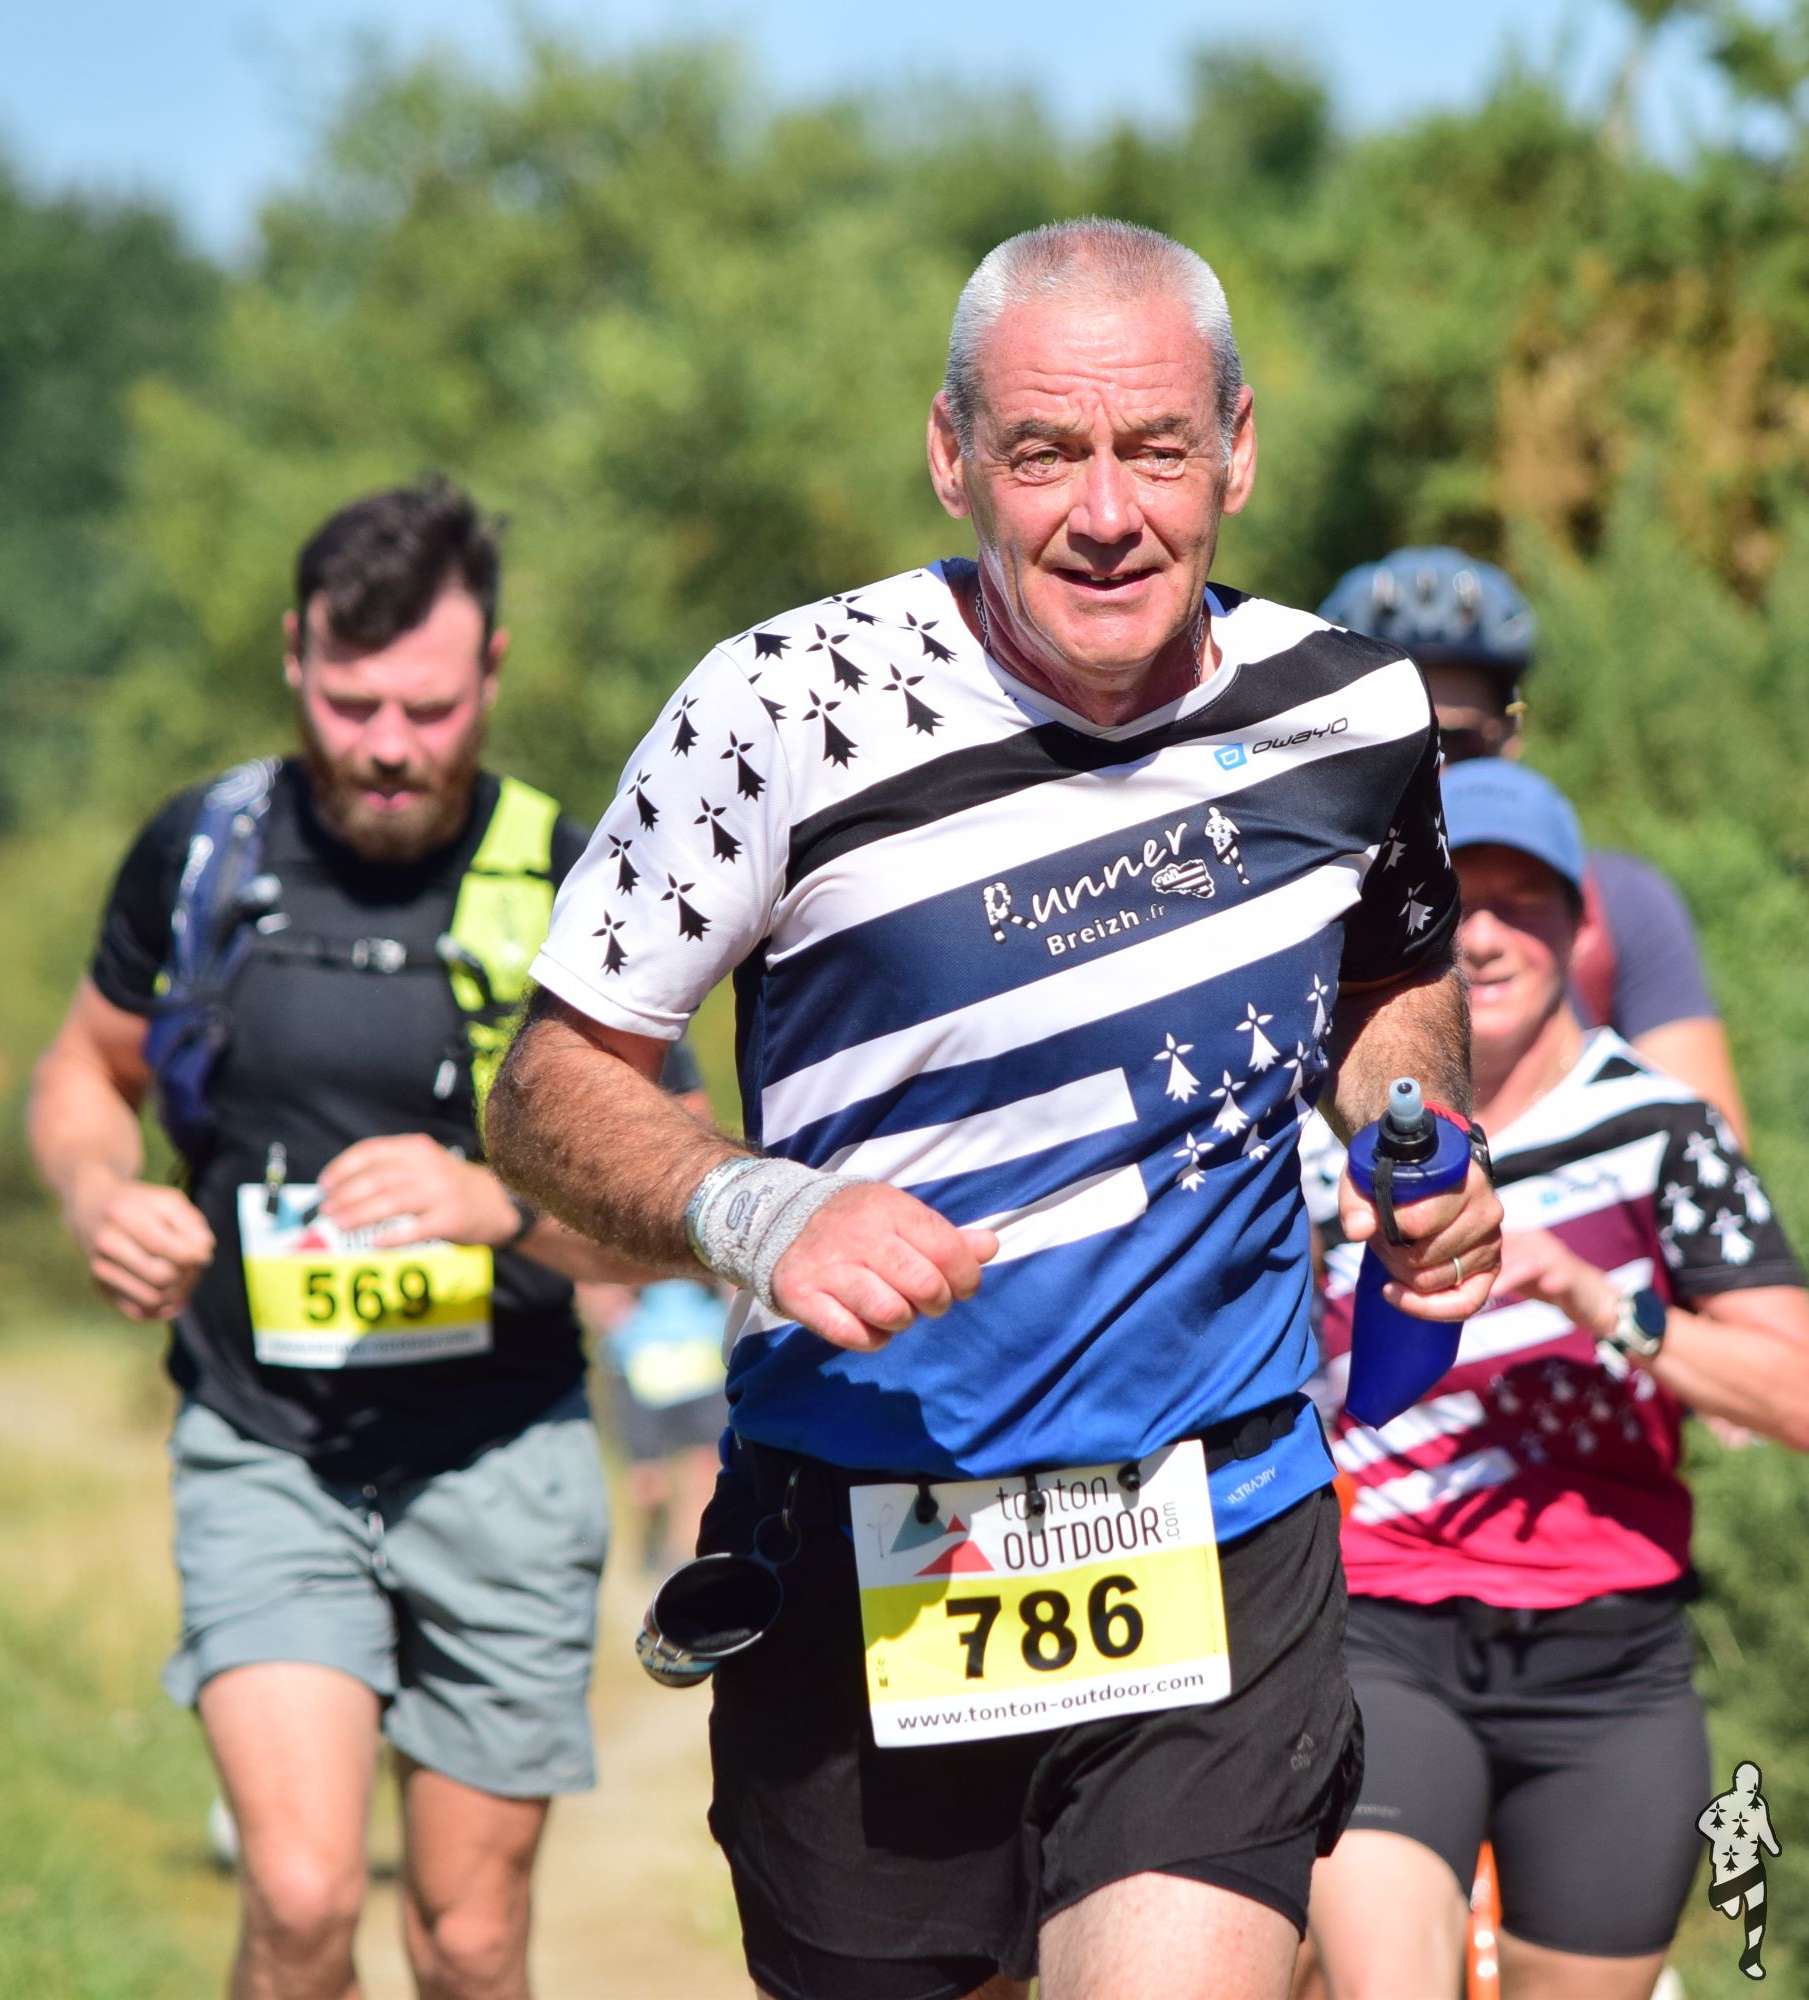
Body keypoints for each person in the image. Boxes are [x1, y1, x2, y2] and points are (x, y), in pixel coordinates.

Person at [483, 218, 1508, 2000]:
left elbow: (1389, 979)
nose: (1105, 512)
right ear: (951, 453)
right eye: (1044, 453)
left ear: (1238, 451)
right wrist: (762, 1211)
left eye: (1155, 449)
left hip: (1216, 1517)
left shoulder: (1352, 712)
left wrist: (1414, 1138)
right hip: (863, 1533)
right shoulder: (779, 711)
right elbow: (546, 1089)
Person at [26, 478, 681, 2000]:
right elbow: (83, 1071)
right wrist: (99, 1196)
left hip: (500, 1457)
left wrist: (500, 1205)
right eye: (351, 700)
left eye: (429, 708)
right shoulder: (204, 853)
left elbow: (675, 1218)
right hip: (267, 1448)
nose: (389, 744)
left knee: (468, 1939)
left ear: (492, 673)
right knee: (302, 1898)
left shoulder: (573, 876)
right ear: (294, 657)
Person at [1303, 759, 1809, 2000]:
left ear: (1582, 926)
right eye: (1456, 905)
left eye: (1523, 902)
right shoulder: (1320, 1139)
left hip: (1611, 1659)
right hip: (1379, 1624)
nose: (1485, 937)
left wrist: (1601, 1298)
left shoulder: (1665, 1131)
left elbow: (1800, 1399)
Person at [1316, 548, 1749, 1144]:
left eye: (1454, 741)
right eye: (1394, 742)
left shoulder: (1623, 903)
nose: (1425, 770)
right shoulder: (1282, 907)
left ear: (1509, 737)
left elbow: (1705, 1158)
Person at [583, 1275, 733, 1574]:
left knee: (705, 1472)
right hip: (637, 1362)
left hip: (703, 1360)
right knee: (648, 1483)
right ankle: (652, 1546)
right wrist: (610, 1314)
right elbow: (592, 1279)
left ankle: (688, 1562)